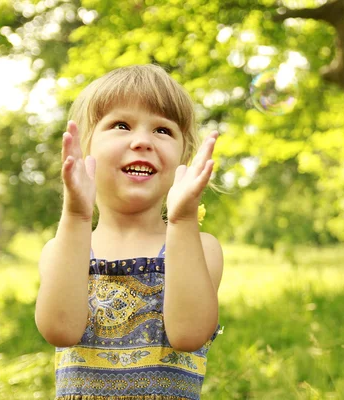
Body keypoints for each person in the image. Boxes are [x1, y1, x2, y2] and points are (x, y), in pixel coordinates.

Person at [34, 64, 224, 400]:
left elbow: (189, 334)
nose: (142, 141)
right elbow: (59, 330)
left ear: (185, 157)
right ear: (86, 147)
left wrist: (182, 220)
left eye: (163, 130)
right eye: (121, 125)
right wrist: (76, 216)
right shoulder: (61, 249)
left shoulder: (200, 247)